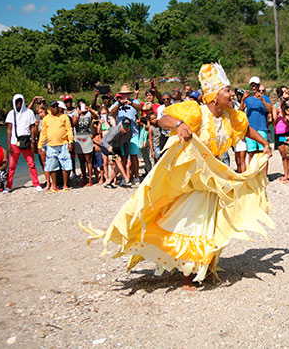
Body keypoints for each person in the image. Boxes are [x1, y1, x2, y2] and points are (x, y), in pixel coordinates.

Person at [82, 62, 272, 284]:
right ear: (213, 96)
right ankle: (187, 274)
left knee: (209, 222)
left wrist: (264, 142)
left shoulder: (232, 117)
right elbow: (160, 119)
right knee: (191, 223)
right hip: (190, 179)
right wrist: (180, 124)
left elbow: (245, 128)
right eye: (227, 90)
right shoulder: (196, 112)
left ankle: (205, 264)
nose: (232, 94)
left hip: (212, 178)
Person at [5, 94, 42, 193]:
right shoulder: (11, 114)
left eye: (20, 101)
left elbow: (33, 128)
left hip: (26, 142)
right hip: (14, 142)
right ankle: (8, 186)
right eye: (17, 102)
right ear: (14, 102)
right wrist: (8, 144)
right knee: (12, 166)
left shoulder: (29, 112)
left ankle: (36, 183)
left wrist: (33, 140)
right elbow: (9, 129)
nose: (19, 104)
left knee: (31, 164)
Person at [38, 101, 74, 192]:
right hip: (51, 145)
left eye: (56, 106)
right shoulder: (46, 118)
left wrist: (71, 142)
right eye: (53, 106)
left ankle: (65, 185)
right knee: (52, 166)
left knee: (65, 165)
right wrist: (40, 145)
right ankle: (54, 186)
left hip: (64, 144)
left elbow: (69, 130)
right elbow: (43, 133)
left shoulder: (64, 117)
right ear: (50, 108)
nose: (55, 108)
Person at [240, 76, 272, 161]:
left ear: (258, 86)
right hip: (250, 129)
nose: (253, 87)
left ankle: (264, 174)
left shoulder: (265, 98)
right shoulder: (248, 99)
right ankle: (252, 173)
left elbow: (270, 110)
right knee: (251, 153)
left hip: (262, 128)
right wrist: (243, 99)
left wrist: (262, 100)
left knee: (263, 152)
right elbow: (240, 111)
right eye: (252, 85)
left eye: (255, 85)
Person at [101, 117, 133, 188]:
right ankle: (125, 178)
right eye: (124, 127)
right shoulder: (114, 131)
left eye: (128, 127)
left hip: (117, 147)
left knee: (116, 166)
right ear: (121, 125)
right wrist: (108, 147)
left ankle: (108, 182)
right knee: (117, 160)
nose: (126, 129)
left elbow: (127, 143)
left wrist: (126, 155)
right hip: (107, 146)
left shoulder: (130, 132)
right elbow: (103, 142)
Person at [72, 100, 98, 186]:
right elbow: (73, 124)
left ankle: (90, 179)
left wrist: (89, 109)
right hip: (78, 138)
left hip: (87, 137)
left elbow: (96, 116)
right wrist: (78, 114)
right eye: (80, 105)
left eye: (83, 105)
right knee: (81, 160)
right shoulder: (75, 114)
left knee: (88, 160)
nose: (82, 107)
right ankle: (84, 178)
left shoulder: (89, 114)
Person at [273, 86, 289, 182]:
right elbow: (274, 120)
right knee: (284, 154)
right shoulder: (276, 106)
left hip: (288, 132)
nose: (287, 93)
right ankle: (286, 174)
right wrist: (278, 113)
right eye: (285, 92)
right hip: (279, 133)